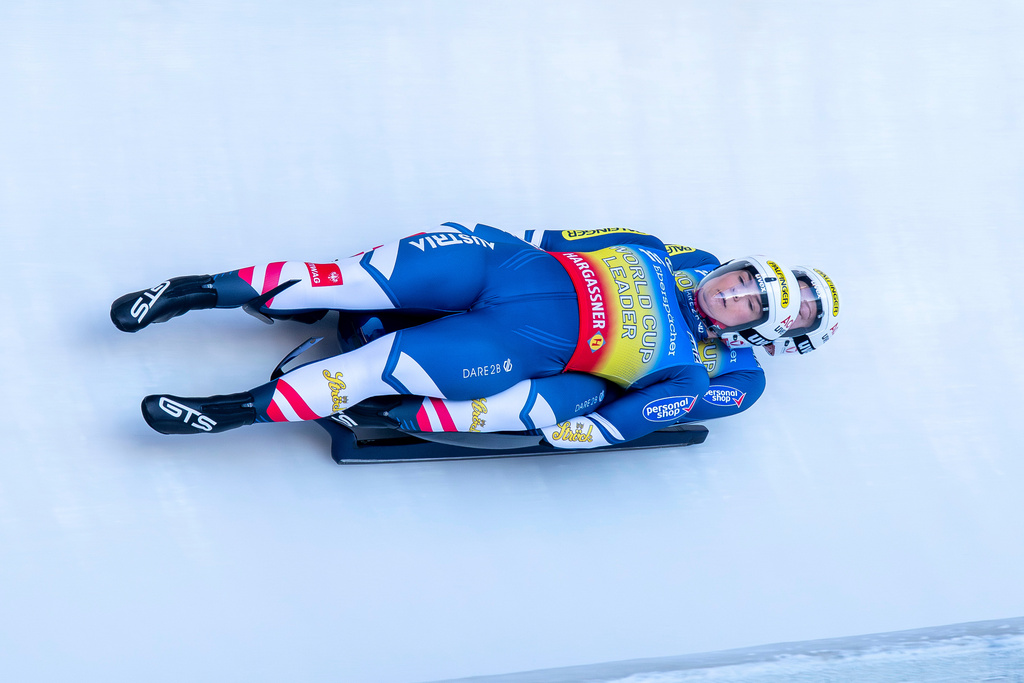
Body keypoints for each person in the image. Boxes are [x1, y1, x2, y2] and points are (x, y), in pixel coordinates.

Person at [111, 223, 807, 449]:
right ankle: (189, 292)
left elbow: (607, 425)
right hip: (499, 269)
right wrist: (471, 236)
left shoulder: (688, 371)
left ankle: (228, 412)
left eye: (749, 303)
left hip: (510, 347)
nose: (733, 291)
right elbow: (549, 236)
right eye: (743, 277)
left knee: (373, 368)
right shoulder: (655, 248)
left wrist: (531, 419)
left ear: (754, 331)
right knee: (348, 278)